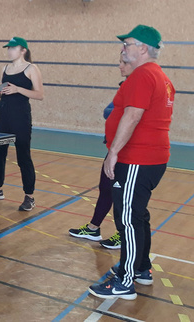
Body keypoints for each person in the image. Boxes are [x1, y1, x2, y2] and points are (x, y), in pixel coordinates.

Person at [89, 25, 174, 300]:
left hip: (138, 158)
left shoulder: (143, 75)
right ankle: (141, 269)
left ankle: (125, 280)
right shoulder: (160, 76)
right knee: (138, 215)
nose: (123, 49)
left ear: (143, 48)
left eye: (127, 44)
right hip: (150, 159)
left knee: (127, 218)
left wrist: (113, 152)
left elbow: (132, 115)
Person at [69, 53, 134, 249]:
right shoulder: (125, 86)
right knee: (106, 186)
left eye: (123, 63)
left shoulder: (136, 87)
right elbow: (110, 111)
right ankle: (93, 228)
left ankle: (124, 235)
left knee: (123, 195)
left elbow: (115, 113)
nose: (120, 66)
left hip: (128, 151)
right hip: (115, 148)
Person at [0, 37, 44, 211]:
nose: (9, 51)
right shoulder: (5, 68)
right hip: (3, 115)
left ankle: (29, 196)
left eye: (13, 48)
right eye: (8, 48)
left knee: (23, 156)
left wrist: (18, 89)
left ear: (23, 50)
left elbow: (39, 94)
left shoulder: (32, 68)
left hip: (20, 117)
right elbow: (3, 92)